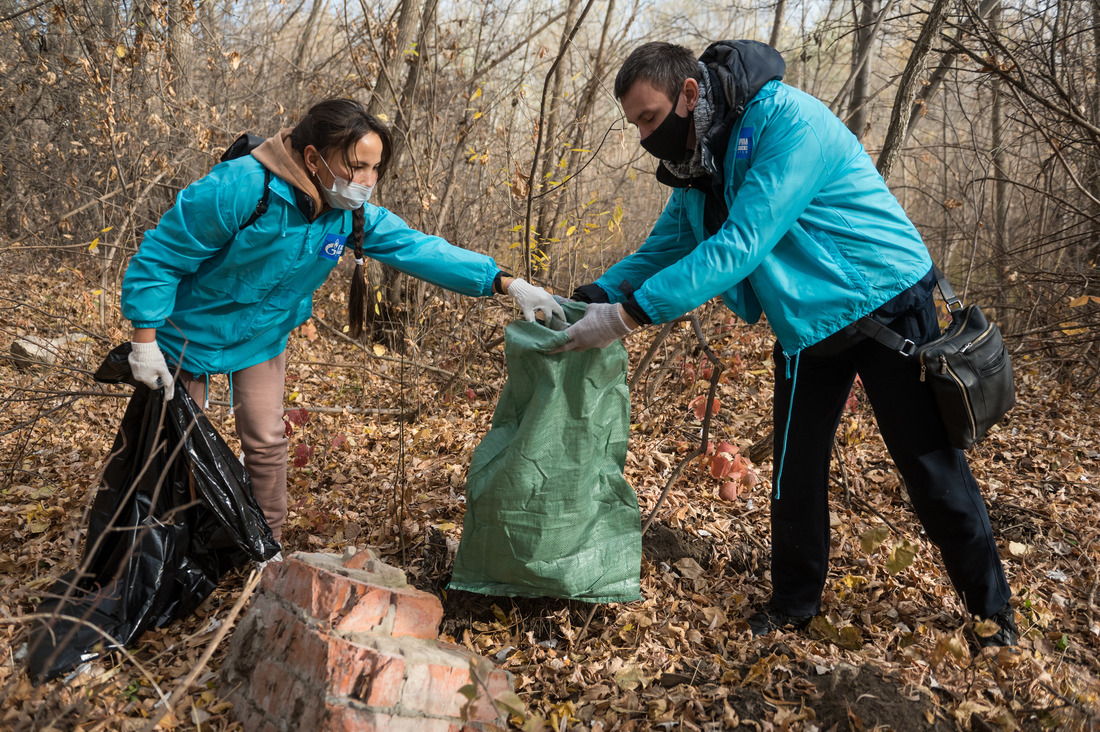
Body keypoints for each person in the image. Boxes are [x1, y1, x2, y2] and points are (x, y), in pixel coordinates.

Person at [560, 41, 1017, 646]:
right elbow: (663, 248)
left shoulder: (788, 122)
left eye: (649, 118)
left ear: (689, 94)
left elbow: (742, 244)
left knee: (930, 468)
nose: (645, 136)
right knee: (794, 473)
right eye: (635, 125)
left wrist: (630, 315)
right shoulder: (700, 165)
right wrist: (593, 295)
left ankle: (992, 613)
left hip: (884, 300)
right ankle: (794, 603)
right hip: (806, 323)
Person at [121, 98, 563, 546]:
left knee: (266, 440)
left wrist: (505, 283)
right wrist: (144, 339)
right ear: (313, 158)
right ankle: (162, 546)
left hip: (261, 336)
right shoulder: (240, 188)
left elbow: (419, 248)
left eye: (375, 169)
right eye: (357, 167)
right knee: (176, 444)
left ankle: (263, 546)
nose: (367, 182)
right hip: (186, 335)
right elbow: (162, 255)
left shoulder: (347, 215)